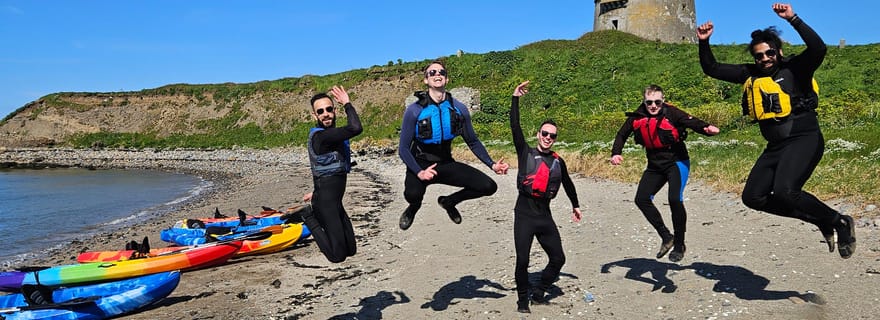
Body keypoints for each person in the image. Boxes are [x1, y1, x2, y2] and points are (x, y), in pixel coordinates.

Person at [696, 3, 855, 258]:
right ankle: (820, 220)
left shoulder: (796, 68)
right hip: (776, 146)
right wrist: (704, 41)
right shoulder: (750, 74)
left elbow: (819, 48)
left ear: (778, 52)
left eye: (769, 53)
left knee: (785, 191)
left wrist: (793, 18)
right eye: (759, 56)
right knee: (753, 197)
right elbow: (711, 68)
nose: (765, 59)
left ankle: (840, 221)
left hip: (804, 138)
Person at [610, 85, 720, 263]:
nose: (653, 106)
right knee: (641, 199)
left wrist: (706, 128)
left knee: (674, 199)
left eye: (657, 102)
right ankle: (667, 237)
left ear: (663, 100)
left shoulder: (672, 113)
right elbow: (622, 134)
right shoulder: (637, 116)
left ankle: (679, 245)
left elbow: (690, 121)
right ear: (644, 101)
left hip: (677, 161)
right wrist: (616, 153)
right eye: (649, 102)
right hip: (655, 165)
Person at [397, 60, 509, 230]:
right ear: (426, 80)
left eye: (441, 72)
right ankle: (413, 207)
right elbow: (403, 149)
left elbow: (473, 141)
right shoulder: (414, 110)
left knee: (488, 186)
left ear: (446, 79)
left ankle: (449, 202)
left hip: (445, 162)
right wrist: (420, 172)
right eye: (432, 72)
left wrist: (492, 164)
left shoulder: (459, 109)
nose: (437, 74)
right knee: (412, 194)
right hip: (420, 163)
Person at [509, 81, 582, 313]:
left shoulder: (558, 161)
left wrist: (575, 205)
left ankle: (539, 292)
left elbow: (568, 183)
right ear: (538, 134)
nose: (548, 137)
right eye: (545, 133)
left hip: (544, 216)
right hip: (524, 214)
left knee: (558, 259)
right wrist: (515, 98)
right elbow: (515, 126)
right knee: (523, 260)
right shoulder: (525, 152)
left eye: (552, 135)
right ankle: (522, 300)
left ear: (555, 138)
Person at [300, 85, 363, 263]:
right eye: (320, 111)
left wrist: (315, 190)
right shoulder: (321, 137)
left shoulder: (332, 136)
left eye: (329, 109)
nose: (326, 114)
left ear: (334, 111)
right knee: (337, 256)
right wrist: (347, 103)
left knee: (351, 250)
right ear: (315, 116)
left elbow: (322, 170)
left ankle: (312, 208)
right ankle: (307, 216)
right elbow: (355, 127)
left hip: (334, 201)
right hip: (324, 205)